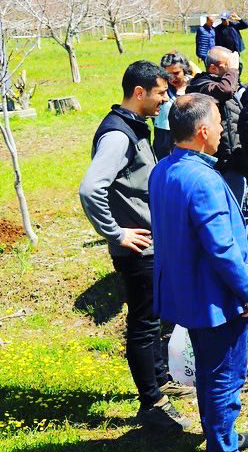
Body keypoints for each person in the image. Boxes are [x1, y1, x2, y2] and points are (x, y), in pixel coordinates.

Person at [149, 93, 248, 452]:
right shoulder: (202, 179)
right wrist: (246, 289)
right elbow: (220, 249)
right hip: (214, 297)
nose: (224, 129)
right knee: (225, 374)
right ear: (202, 131)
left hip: (186, 292)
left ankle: (223, 435)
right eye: (219, 123)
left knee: (209, 370)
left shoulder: (164, 169)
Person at [79, 60, 193, 432]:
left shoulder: (134, 127)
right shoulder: (118, 135)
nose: (166, 98)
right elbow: (91, 188)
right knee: (143, 324)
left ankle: (160, 380)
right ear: (139, 93)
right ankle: (152, 403)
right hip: (137, 250)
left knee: (153, 319)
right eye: (161, 92)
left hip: (151, 246)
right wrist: (116, 233)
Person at [187, 47, 247, 210]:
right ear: (213, 68)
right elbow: (224, 91)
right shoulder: (201, 85)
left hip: (235, 160)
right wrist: (233, 70)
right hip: (217, 163)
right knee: (224, 209)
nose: (232, 70)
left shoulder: (224, 82)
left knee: (240, 209)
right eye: (227, 65)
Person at [153, 51, 193, 160]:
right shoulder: (159, 86)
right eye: (168, 74)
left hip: (188, 134)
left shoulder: (194, 85)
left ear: (184, 70)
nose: (172, 78)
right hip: (164, 135)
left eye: (176, 73)